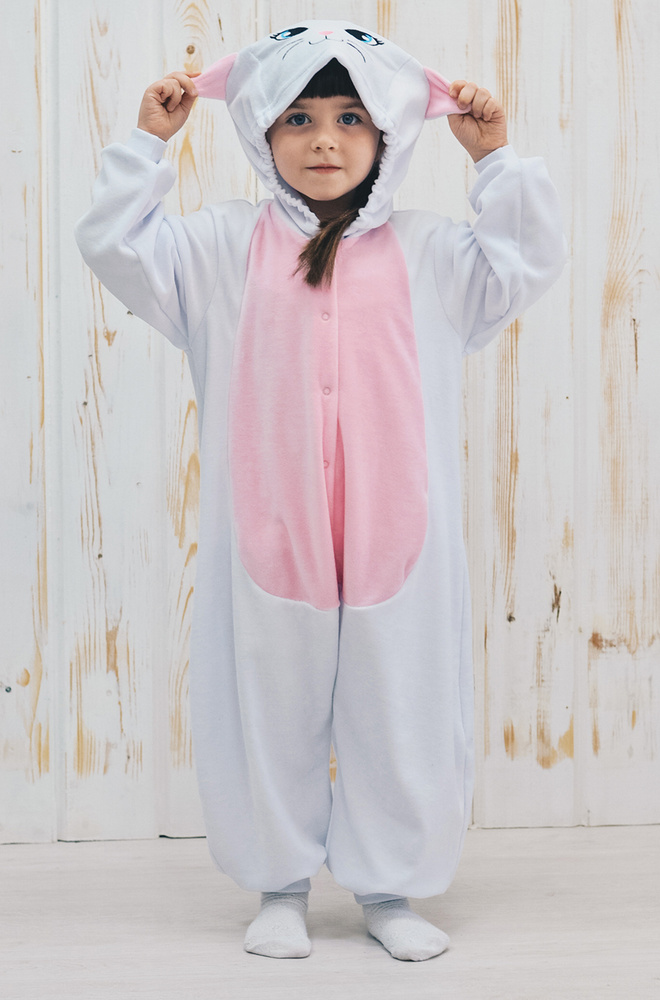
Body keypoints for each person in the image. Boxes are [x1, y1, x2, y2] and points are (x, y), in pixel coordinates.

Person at [75, 19, 566, 963]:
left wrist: (495, 159)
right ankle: (280, 885)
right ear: (262, 130)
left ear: (387, 133)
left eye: (350, 117)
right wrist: (147, 145)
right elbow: (116, 248)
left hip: (400, 536)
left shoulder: (431, 254)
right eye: (298, 118)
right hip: (268, 532)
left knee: (401, 703)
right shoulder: (220, 249)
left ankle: (389, 888)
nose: (325, 141)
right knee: (265, 699)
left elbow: (524, 264)